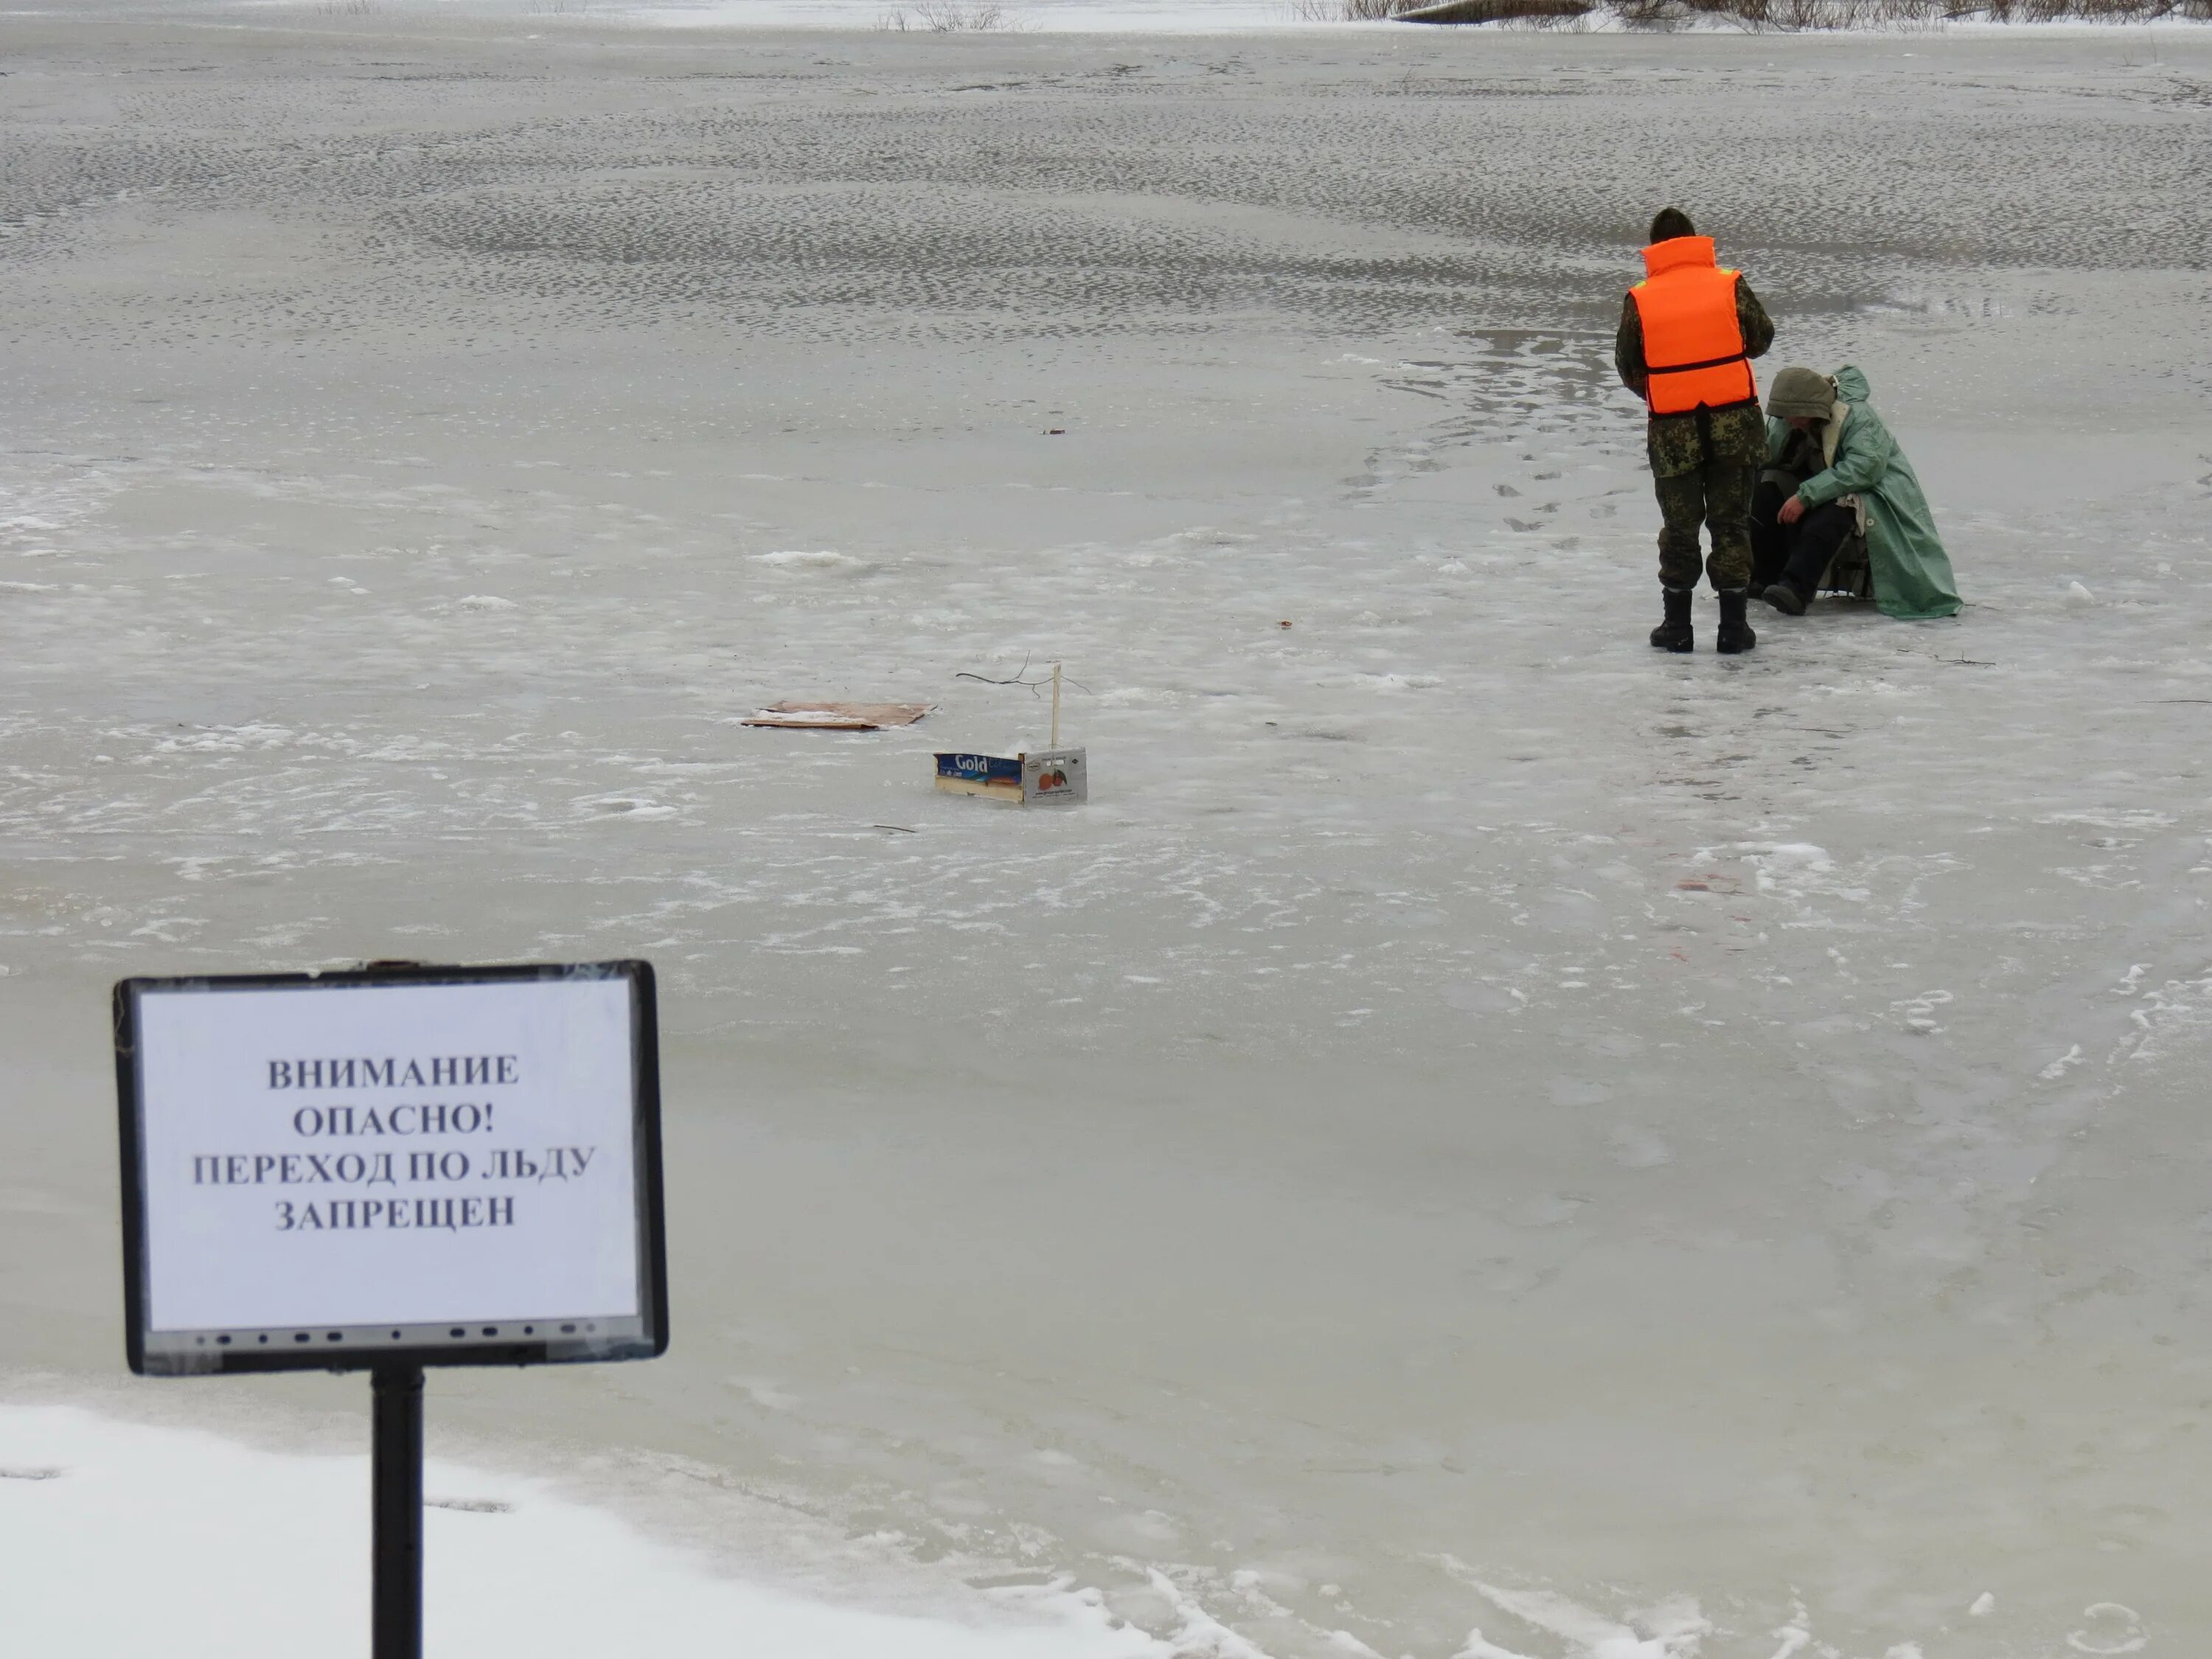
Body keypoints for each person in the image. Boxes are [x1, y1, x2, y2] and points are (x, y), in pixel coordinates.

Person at [1615, 207, 1775, 655]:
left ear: (1654, 247)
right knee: (1731, 524)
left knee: (1680, 528)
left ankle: (1677, 628)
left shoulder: (1641, 298)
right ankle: (1733, 630)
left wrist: (1669, 390)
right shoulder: (1728, 283)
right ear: (1694, 241)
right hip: (1736, 427)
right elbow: (1761, 337)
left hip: (1672, 433)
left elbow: (1628, 367)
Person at [1753, 365, 1961, 621]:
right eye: (1784, 416)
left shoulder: (1859, 417)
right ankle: (1763, 578)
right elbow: (1767, 456)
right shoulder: (1789, 418)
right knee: (1763, 493)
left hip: (1871, 491)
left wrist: (1805, 496)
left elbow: (1864, 468)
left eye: (1795, 416)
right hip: (1823, 483)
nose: (1789, 422)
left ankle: (1795, 589)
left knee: (1831, 515)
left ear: (1812, 409)